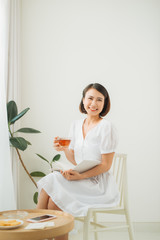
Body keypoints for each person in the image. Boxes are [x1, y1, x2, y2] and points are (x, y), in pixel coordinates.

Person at [37, 83, 120, 240]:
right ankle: (40, 232)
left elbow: (106, 165)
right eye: (90, 98)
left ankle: (36, 232)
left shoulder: (107, 127)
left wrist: (81, 176)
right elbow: (75, 159)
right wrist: (64, 150)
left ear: (105, 103)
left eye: (99, 100)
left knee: (52, 184)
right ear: (83, 100)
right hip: (79, 178)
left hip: (98, 184)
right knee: (55, 200)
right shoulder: (75, 125)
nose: (94, 104)